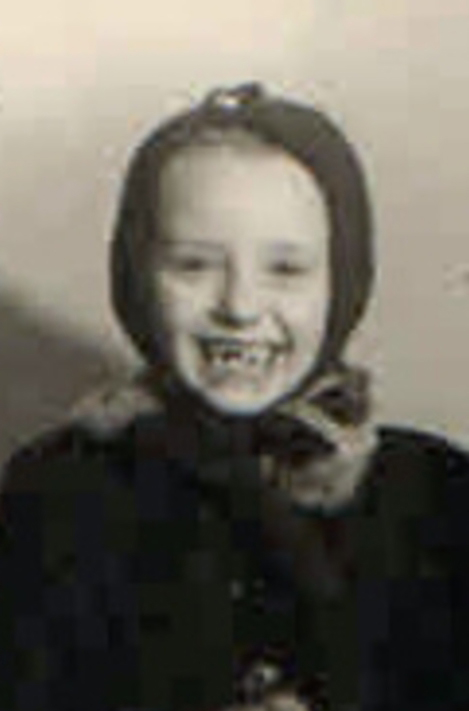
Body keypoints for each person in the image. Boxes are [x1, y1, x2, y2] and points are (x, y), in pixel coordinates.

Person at [1, 82, 469, 711]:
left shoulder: (436, 501)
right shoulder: (57, 499)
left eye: (286, 270)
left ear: (343, 280)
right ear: (137, 276)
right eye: (194, 265)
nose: (241, 306)